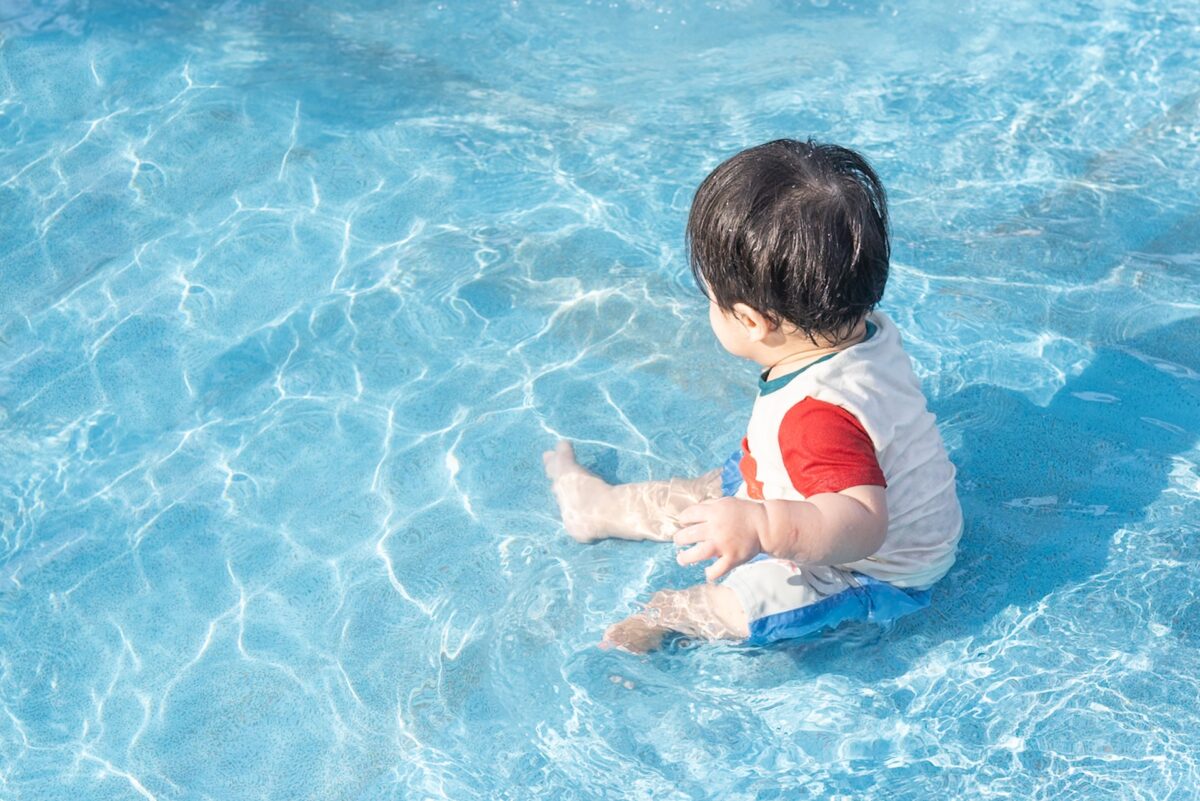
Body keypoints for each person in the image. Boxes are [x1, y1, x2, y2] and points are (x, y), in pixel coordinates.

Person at [543, 139, 962, 652]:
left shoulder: (817, 418)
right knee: (719, 487)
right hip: (815, 488)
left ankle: (668, 616)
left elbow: (863, 524)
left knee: (749, 604)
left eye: (713, 303)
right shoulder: (864, 329)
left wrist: (763, 525)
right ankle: (602, 509)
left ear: (750, 321)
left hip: (866, 569)